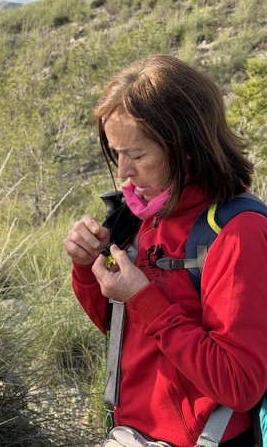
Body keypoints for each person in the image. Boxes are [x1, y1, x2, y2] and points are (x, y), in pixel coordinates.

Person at [63, 54, 267, 447]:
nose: (123, 171)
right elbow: (121, 329)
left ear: (187, 148)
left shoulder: (238, 231)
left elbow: (239, 383)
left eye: (137, 155)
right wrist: (86, 267)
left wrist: (144, 298)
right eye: (116, 152)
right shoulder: (143, 215)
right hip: (134, 433)